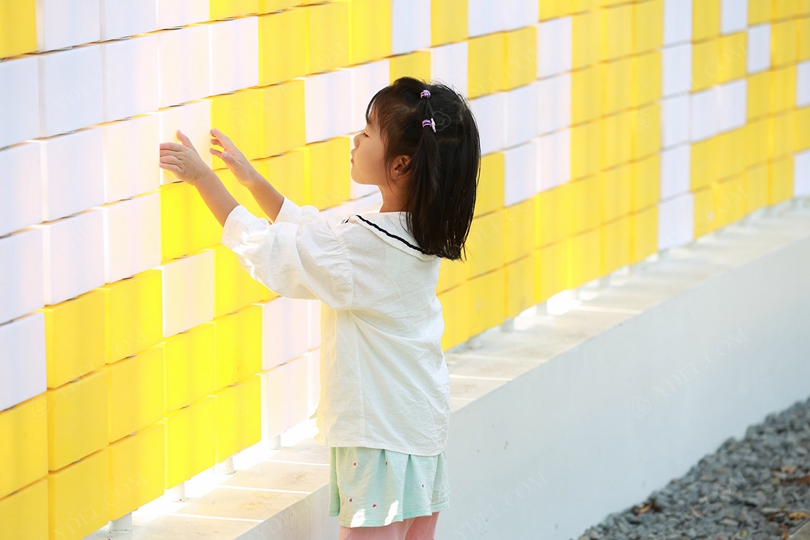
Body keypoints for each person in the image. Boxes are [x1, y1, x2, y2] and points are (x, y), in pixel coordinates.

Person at [158, 76, 481, 539]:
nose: (356, 138)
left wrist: (202, 179)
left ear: (400, 164)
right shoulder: (414, 233)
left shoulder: (364, 247)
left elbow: (276, 250)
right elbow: (319, 239)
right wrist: (252, 181)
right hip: (420, 431)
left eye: (368, 132)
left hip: (378, 437)